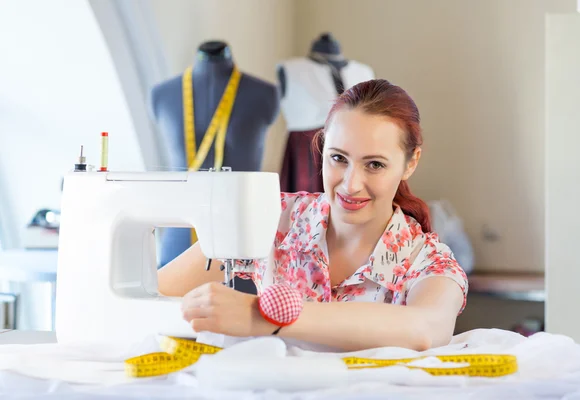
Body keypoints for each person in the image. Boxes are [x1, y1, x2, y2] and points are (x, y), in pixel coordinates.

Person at [158, 79, 469, 353]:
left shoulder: (428, 261)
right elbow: (158, 290)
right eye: (338, 158)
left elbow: (424, 328)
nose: (351, 184)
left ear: (411, 162)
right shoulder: (271, 219)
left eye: (374, 165)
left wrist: (265, 316)